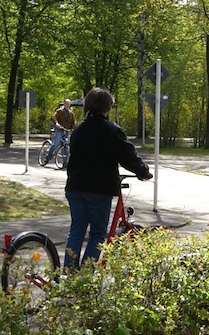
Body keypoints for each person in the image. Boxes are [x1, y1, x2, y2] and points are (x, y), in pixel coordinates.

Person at [63, 87, 152, 269]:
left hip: (74, 187)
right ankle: (85, 278)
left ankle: (68, 274)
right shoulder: (111, 130)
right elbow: (128, 155)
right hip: (98, 189)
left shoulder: (79, 129)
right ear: (107, 107)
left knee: (77, 231)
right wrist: (143, 171)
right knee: (97, 233)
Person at [45, 99, 76, 163]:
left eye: (69, 104)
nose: (68, 105)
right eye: (66, 104)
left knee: (66, 146)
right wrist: (57, 123)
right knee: (56, 143)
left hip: (67, 130)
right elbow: (54, 117)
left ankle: (65, 162)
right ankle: (48, 157)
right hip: (60, 130)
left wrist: (73, 128)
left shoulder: (71, 113)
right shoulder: (59, 111)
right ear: (64, 104)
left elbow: (73, 122)